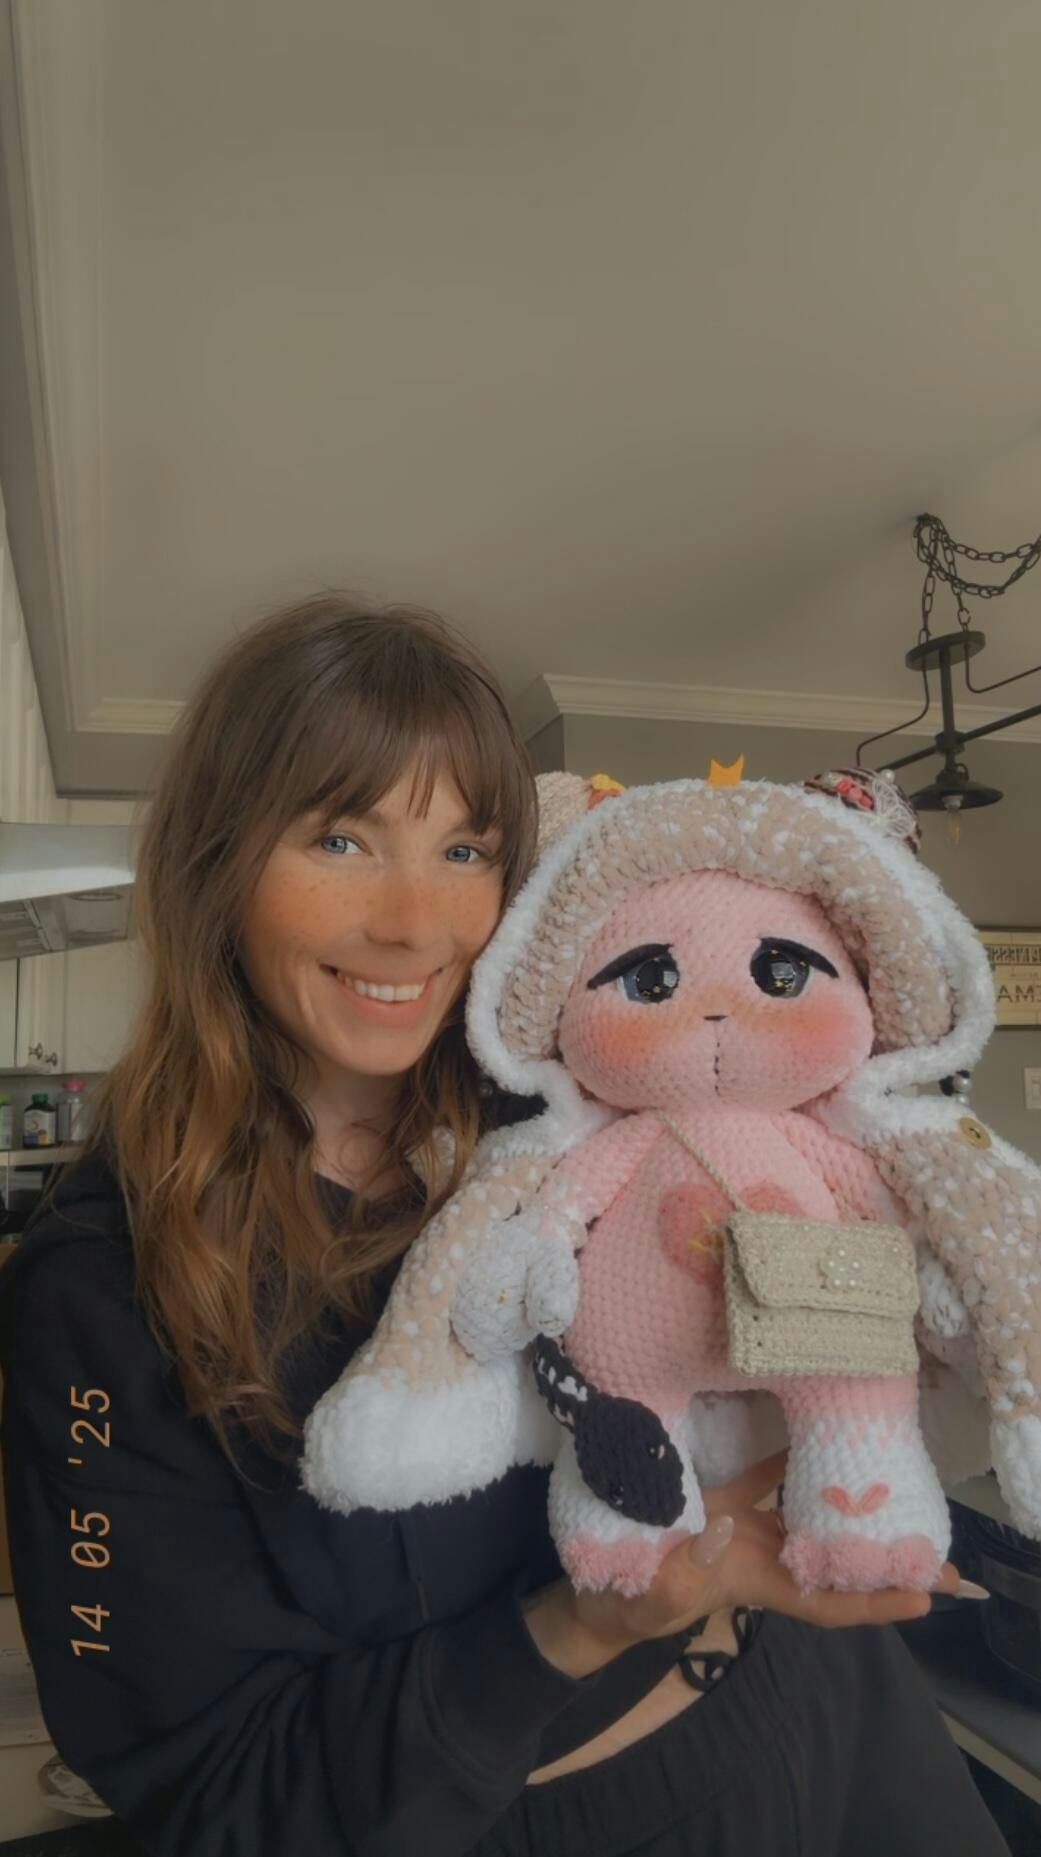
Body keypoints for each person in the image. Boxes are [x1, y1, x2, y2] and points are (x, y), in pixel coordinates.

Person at [0, 596, 1008, 1857]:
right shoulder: (103, 1293)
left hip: (840, 1708)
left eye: (466, 849)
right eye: (341, 838)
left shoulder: (576, 1106)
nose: (415, 923)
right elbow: (211, 1791)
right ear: (216, 863)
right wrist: (585, 1627)